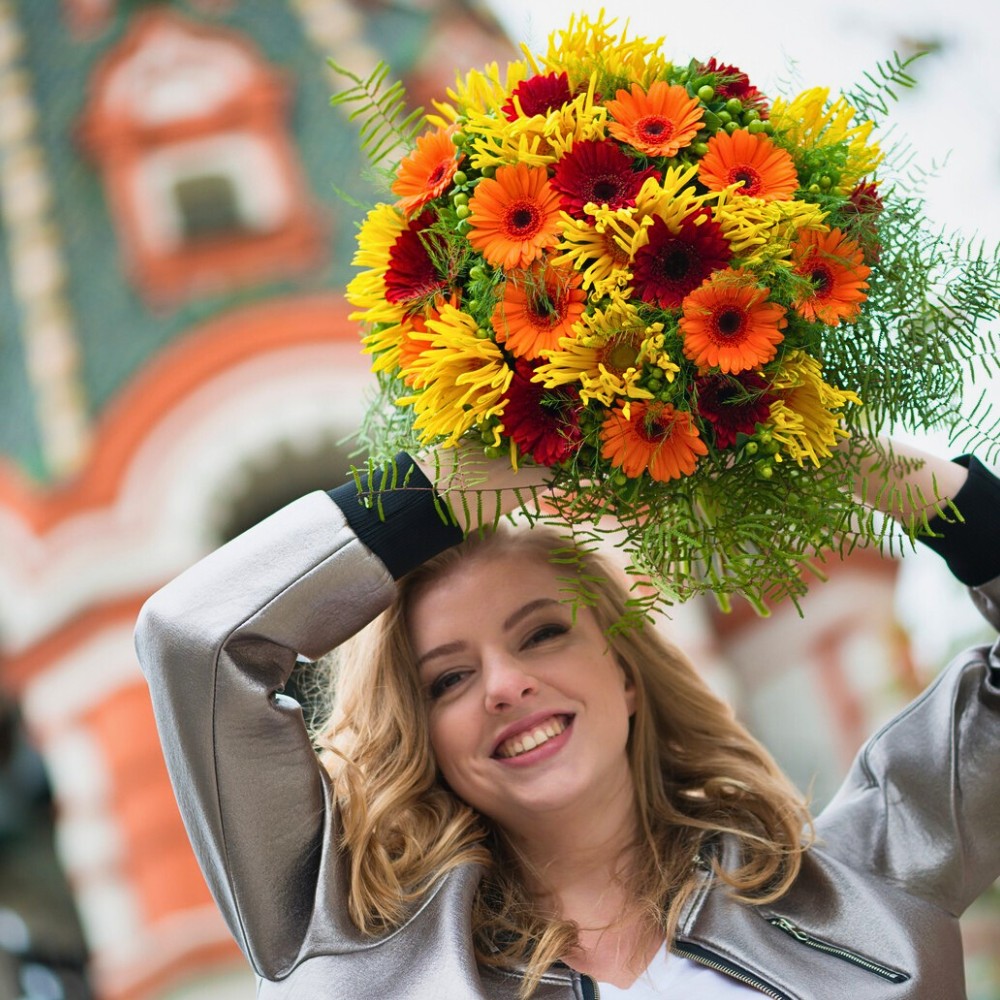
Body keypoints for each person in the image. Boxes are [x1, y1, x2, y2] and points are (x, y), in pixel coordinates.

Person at [135, 441, 1000, 999]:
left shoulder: (864, 887)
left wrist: (836, 448)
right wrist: (461, 482)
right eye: (448, 680)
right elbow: (196, 643)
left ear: (625, 672)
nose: (505, 685)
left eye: (543, 634)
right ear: (425, 739)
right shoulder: (353, 952)